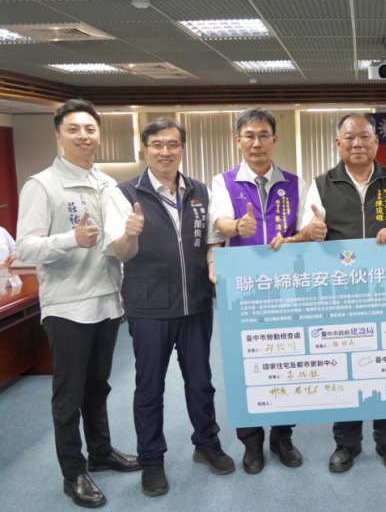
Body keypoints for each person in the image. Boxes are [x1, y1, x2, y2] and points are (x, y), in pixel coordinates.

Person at [15, 99, 139, 508]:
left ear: (98, 134)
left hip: (106, 302)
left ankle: (100, 453)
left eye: (89, 128)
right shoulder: (42, 185)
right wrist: (71, 239)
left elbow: (117, 246)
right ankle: (73, 472)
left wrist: (130, 239)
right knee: (68, 396)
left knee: (97, 388)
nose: (83, 136)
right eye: (73, 129)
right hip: (68, 306)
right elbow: (24, 247)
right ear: (58, 135)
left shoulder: (105, 184)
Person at [105, 118, 234, 497]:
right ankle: (151, 460)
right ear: (145, 148)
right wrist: (130, 234)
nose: (165, 152)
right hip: (149, 308)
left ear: (182, 148)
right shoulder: (125, 193)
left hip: (195, 304)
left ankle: (207, 444)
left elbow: (210, 241)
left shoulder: (198, 190)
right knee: (149, 387)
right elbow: (121, 253)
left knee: (201, 382)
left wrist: (213, 263)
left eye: (173, 144)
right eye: (157, 145)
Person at [298, 112, 386, 473]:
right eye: (349, 138)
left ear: (376, 142)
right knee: (345, 366)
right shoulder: (321, 184)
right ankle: (346, 443)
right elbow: (307, 231)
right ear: (338, 144)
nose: (357, 144)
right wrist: (313, 232)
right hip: (341, 294)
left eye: (365, 136)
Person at [208, 107, 307, 473]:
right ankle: (251, 442)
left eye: (264, 135)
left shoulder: (294, 183)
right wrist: (237, 226)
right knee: (245, 365)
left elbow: (307, 230)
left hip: (285, 288)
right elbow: (219, 222)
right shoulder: (224, 181)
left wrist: (302, 235)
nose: (256, 142)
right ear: (238, 141)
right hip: (243, 289)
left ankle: (282, 437)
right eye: (249, 136)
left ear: (274, 139)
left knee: (286, 361)